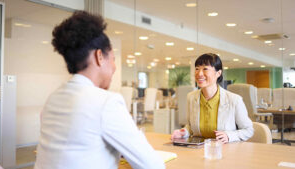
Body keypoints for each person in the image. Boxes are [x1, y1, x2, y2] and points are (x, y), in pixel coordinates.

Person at [34, 11, 164, 169]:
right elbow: (152, 165)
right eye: (113, 59)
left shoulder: (52, 99)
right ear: (99, 56)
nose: (114, 68)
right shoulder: (106, 102)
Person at [171, 53, 253, 143]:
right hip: (198, 150)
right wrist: (184, 132)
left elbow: (248, 130)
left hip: (225, 150)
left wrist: (229, 136)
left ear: (218, 73)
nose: (199, 73)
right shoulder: (191, 97)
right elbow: (191, 127)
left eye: (205, 69)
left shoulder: (234, 100)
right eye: (197, 69)